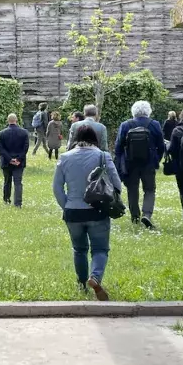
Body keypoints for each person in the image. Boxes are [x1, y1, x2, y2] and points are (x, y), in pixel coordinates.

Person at [53, 126, 122, 301]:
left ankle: (82, 283)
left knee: (79, 249)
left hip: (72, 211)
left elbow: (57, 187)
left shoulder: (65, 157)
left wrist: (66, 205)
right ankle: (96, 277)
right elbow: (117, 185)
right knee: (100, 248)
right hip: (98, 210)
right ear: (95, 138)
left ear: (75, 138)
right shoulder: (103, 156)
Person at [114, 100, 165, 228]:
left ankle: (135, 216)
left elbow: (118, 146)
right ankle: (146, 214)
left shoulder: (125, 125)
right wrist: (156, 160)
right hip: (148, 163)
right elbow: (161, 145)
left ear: (133, 111)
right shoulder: (154, 124)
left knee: (132, 189)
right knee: (149, 189)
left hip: (130, 163)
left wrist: (120, 163)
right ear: (148, 111)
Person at [0, 113, 29, 207]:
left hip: (6, 162)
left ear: (8, 121)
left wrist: (10, 159)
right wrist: (18, 158)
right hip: (19, 162)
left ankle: (6, 200)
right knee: (18, 182)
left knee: (7, 181)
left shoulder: (2, 133)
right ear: (16, 120)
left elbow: (1, 149)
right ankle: (18, 203)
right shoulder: (24, 132)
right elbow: (26, 148)